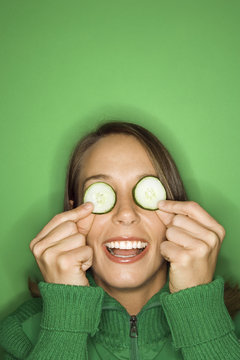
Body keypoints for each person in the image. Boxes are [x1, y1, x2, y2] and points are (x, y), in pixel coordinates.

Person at [0, 121, 240, 359]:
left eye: (148, 192)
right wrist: (64, 323)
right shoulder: (21, 333)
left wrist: (200, 313)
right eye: (101, 192)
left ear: (178, 214)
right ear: (71, 217)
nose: (126, 213)